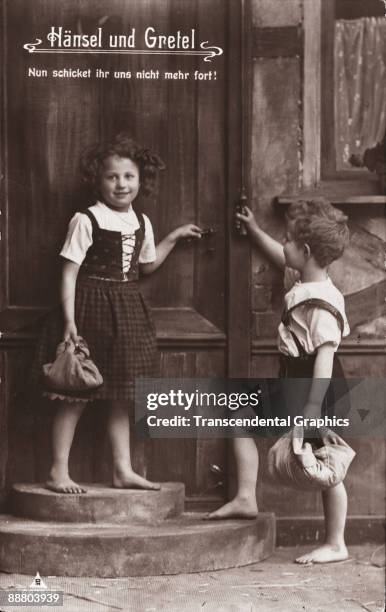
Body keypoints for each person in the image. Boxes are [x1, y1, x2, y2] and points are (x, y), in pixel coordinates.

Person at [31, 133, 202, 494]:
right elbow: (69, 272)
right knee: (76, 391)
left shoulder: (142, 221)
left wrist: (173, 237)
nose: (121, 184)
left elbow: (147, 265)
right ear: (98, 179)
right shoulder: (86, 219)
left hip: (126, 311)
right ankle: (57, 471)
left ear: (141, 181)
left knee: (120, 394)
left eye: (129, 177)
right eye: (112, 177)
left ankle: (122, 470)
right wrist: (70, 322)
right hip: (89, 307)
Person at [209, 198, 351, 565]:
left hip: (317, 390)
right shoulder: (305, 279)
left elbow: (324, 360)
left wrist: (312, 411)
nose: (283, 244)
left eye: (287, 239)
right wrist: (255, 230)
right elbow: (282, 257)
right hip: (292, 381)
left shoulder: (321, 303)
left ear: (305, 251)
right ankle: (245, 497)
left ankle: (336, 542)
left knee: (326, 465)